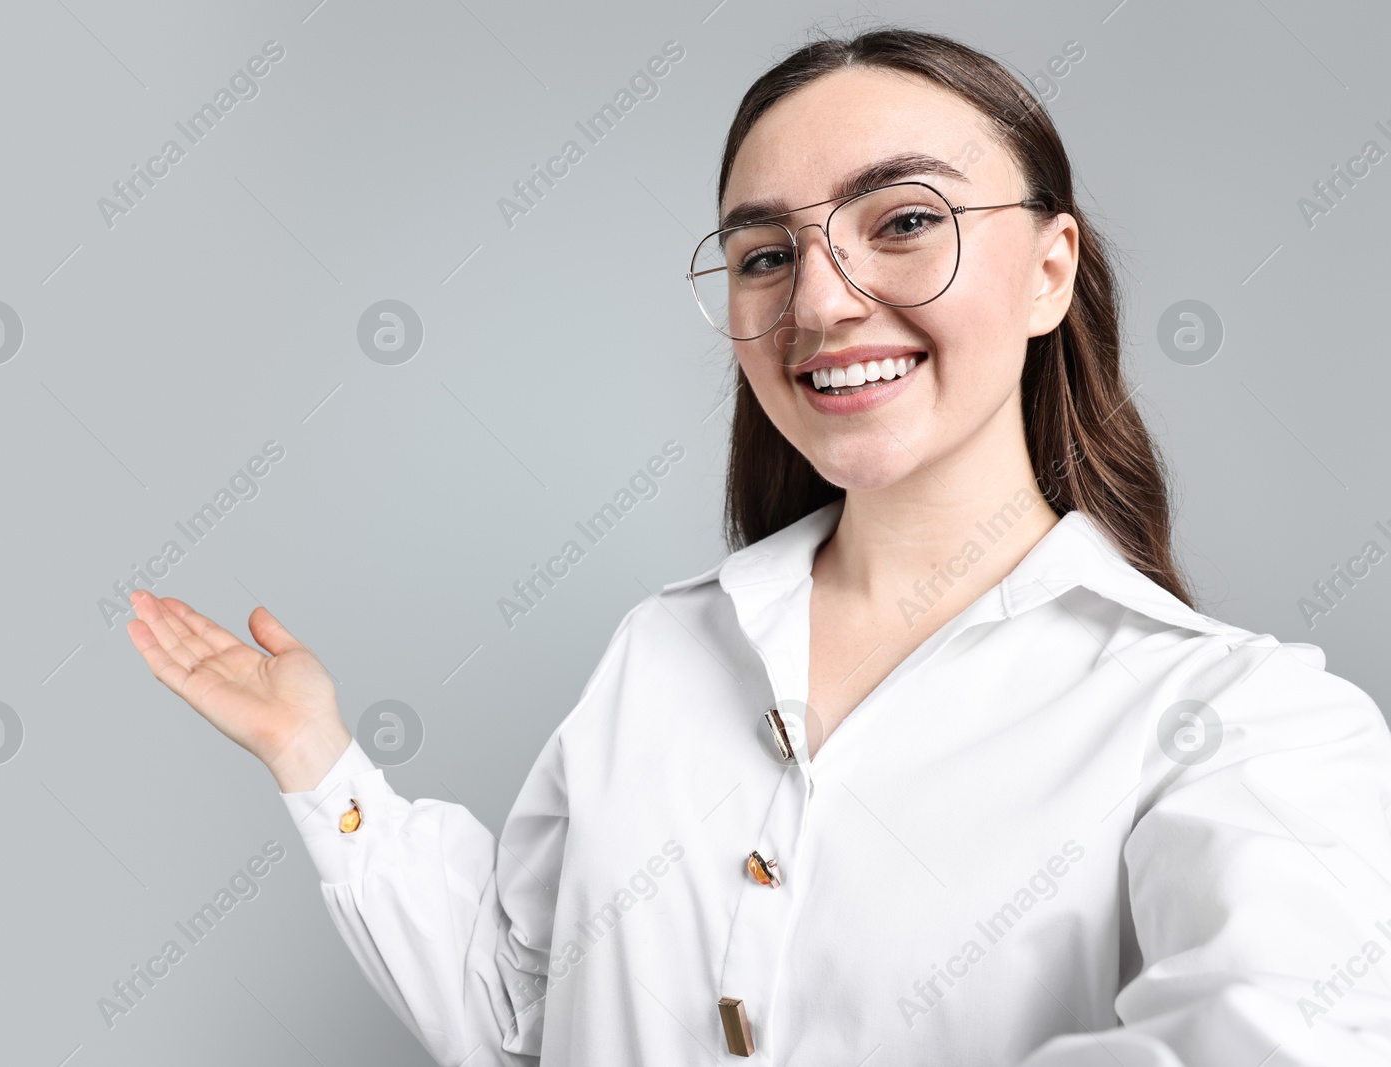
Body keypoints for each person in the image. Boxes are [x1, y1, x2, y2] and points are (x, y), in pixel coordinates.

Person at [126, 25, 1391, 1066]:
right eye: (766, 252)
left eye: (903, 221)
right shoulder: (663, 653)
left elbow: (1261, 1035)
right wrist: (315, 754)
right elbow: (519, 1013)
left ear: (1050, 270)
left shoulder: (1241, 721)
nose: (824, 299)